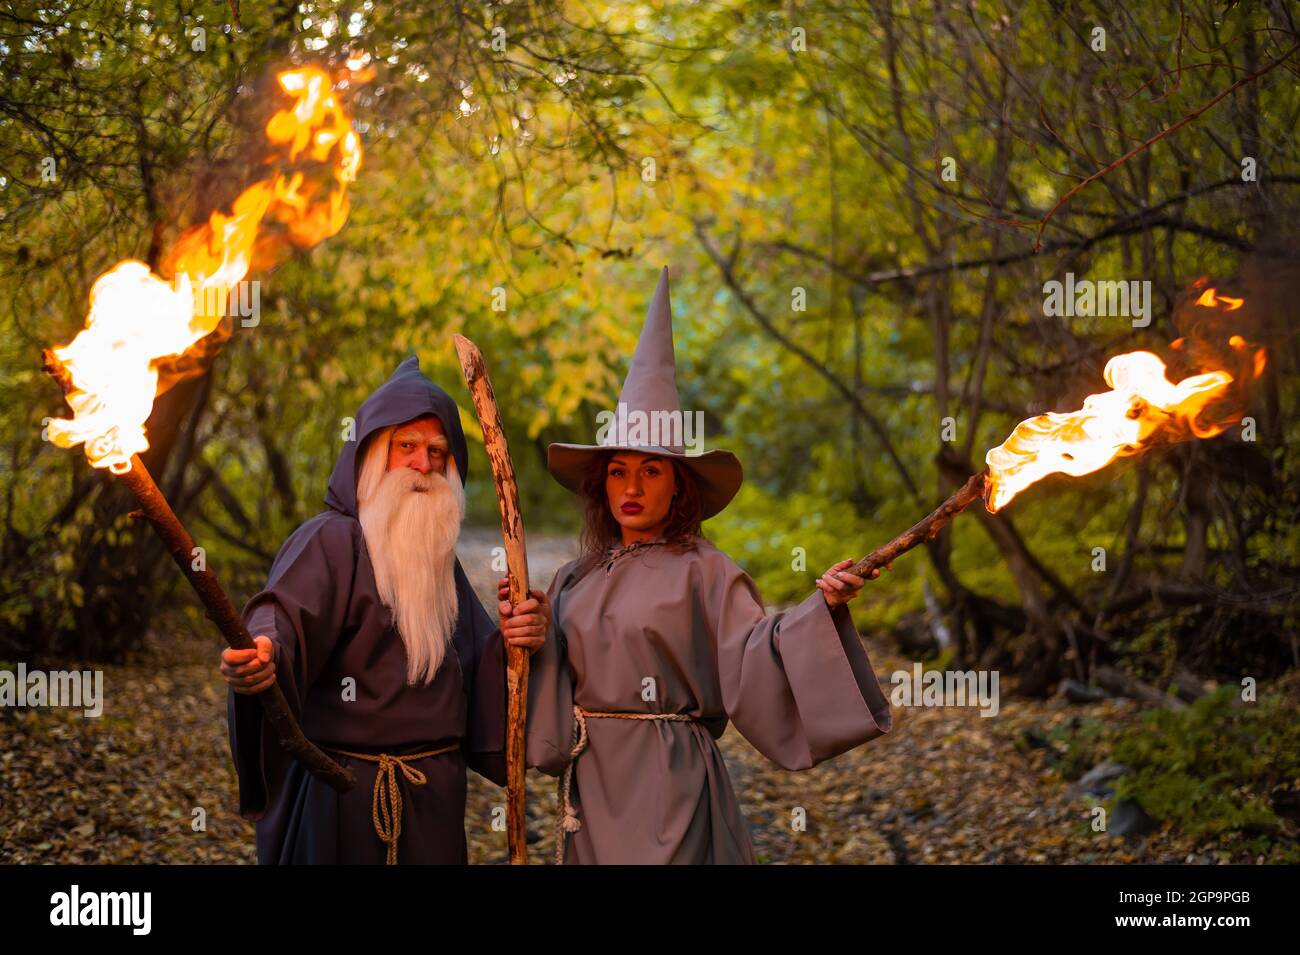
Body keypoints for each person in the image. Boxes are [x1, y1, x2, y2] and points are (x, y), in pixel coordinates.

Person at [519, 267, 894, 864]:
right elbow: (544, 697)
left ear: (679, 486)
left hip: (674, 785)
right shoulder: (574, 578)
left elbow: (756, 651)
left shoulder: (707, 571)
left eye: (651, 470)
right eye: (618, 471)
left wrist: (822, 608)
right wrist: (529, 638)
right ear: (601, 484)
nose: (631, 487)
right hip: (592, 792)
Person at [220, 355, 548, 864]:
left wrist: (517, 637)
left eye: (437, 452)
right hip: (342, 797)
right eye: (407, 447)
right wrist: (264, 651)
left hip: (433, 802)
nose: (423, 464)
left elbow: (479, 665)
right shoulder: (329, 539)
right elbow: (280, 615)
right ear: (374, 453)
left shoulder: (438, 561)